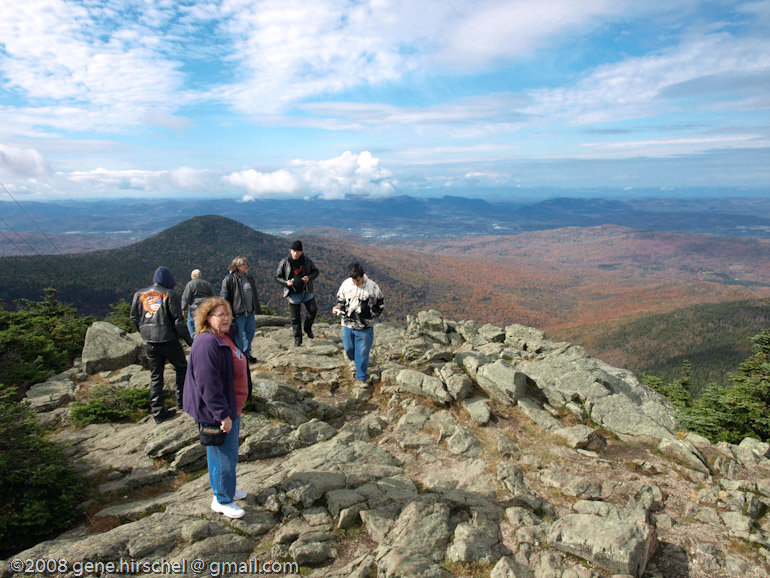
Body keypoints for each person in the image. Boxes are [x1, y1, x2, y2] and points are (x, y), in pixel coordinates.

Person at [182, 297, 251, 519]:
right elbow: (208, 384)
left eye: (227, 314)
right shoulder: (205, 343)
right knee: (223, 456)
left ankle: (225, 489)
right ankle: (222, 499)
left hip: (232, 406)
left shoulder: (224, 337)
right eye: (219, 315)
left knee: (226, 454)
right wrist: (222, 415)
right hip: (217, 412)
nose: (225, 318)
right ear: (207, 318)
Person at [130, 266, 193, 423]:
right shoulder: (170, 294)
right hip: (168, 340)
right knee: (181, 368)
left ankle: (157, 412)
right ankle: (182, 403)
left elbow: (133, 318)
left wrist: (144, 332)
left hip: (150, 342)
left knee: (156, 376)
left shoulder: (139, 294)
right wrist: (191, 341)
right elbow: (178, 320)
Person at [333, 262, 384, 386]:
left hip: (364, 327)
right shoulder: (346, 284)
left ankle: (361, 377)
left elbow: (380, 304)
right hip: (348, 324)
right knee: (348, 348)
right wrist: (338, 307)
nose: (355, 282)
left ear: (362, 276)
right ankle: (356, 362)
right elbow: (341, 299)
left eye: (358, 279)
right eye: (353, 279)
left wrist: (371, 317)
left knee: (362, 352)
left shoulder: (372, 287)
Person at [274, 240, 320, 347]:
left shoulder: (306, 261)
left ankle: (307, 328)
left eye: (298, 251)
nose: (295, 253)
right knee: (295, 318)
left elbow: (316, 271)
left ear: (301, 252)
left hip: (306, 291)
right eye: (294, 251)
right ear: (290, 251)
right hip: (293, 293)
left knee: (313, 310)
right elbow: (277, 276)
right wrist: (286, 283)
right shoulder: (285, 262)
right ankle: (298, 339)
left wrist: (309, 278)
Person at [220, 256, 262, 363]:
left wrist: (256, 307)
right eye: (243, 264)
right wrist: (228, 313)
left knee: (250, 333)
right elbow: (224, 297)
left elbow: (254, 294)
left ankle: (246, 354)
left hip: (250, 312)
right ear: (237, 266)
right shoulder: (229, 279)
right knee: (239, 337)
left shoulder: (249, 278)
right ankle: (239, 357)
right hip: (238, 313)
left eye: (246, 264)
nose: (246, 266)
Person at [181, 269, 215, 338]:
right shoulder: (207, 284)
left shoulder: (190, 284)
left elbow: (186, 297)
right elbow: (213, 296)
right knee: (205, 322)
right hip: (206, 306)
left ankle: (194, 338)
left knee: (190, 322)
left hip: (195, 306)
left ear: (192, 276)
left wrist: (183, 308)